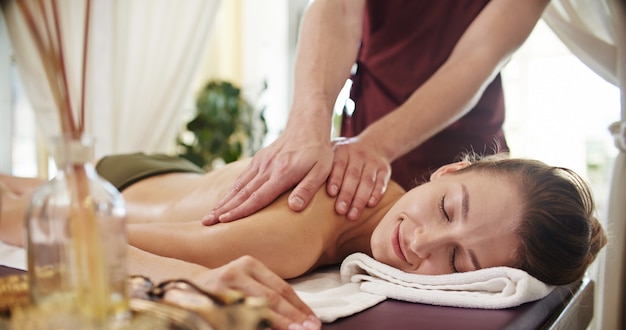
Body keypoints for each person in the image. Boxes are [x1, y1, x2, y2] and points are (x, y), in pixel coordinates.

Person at [0, 152, 607, 330]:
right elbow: (71, 233)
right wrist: (179, 281)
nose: (422, 242)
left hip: (178, 172)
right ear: (449, 170)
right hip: (128, 179)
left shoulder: (382, 188)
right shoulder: (292, 237)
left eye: (458, 263)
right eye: (448, 209)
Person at [203, 0, 551, 227]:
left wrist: (377, 145)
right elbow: (337, 9)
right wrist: (306, 124)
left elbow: (477, 56)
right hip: (362, 139)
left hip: (463, 154)